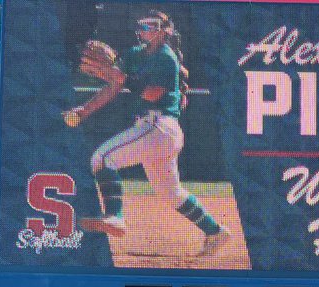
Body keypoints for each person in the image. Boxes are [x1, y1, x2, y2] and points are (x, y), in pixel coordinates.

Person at [62, 10, 230, 257]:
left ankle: (115, 216)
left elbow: (152, 94)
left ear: (165, 31)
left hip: (158, 126)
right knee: (171, 193)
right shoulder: (134, 54)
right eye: (142, 25)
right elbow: (115, 85)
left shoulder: (166, 57)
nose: (145, 29)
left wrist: (123, 77)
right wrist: (85, 109)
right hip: (158, 132)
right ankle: (215, 231)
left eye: (152, 25)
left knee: (102, 158)